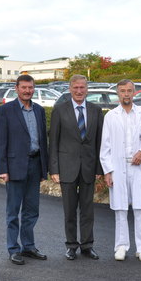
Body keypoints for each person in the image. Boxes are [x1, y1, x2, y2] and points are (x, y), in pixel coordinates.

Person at [100, 79, 141, 262]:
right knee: (120, 209)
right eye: (123, 91)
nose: (126, 94)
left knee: (140, 208)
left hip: (139, 166)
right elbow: (105, 147)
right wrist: (108, 171)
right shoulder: (110, 116)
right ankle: (121, 246)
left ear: (134, 93)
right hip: (118, 167)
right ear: (118, 93)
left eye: (129, 91)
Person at [0, 74, 49, 265]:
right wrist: (3, 169)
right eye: (24, 87)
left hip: (35, 165)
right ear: (16, 88)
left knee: (31, 210)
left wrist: (44, 168)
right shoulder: (5, 111)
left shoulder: (39, 111)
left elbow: (43, 140)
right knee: (13, 211)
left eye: (30, 87)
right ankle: (13, 249)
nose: (27, 91)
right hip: (15, 166)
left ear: (34, 88)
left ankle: (28, 246)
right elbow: (0, 142)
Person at [49, 75, 104, 260]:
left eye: (82, 87)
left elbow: (99, 143)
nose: (79, 91)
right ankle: (71, 245)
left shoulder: (96, 110)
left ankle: (87, 245)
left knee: (88, 210)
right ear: (70, 89)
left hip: (89, 168)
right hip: (67, 167)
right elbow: (54, 141)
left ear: (87, 89)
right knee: (70, 210)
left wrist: (99, 168)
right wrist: (54, 169)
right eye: (75, 88)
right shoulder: (59, 110)